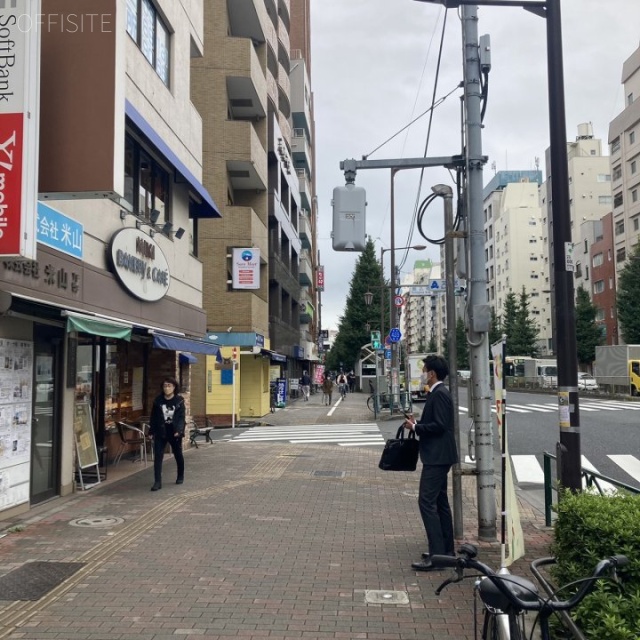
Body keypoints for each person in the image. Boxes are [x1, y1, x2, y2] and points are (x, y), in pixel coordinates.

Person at [403, 355, 458, 571]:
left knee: (426, 502)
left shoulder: (440, 394)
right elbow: (436, 423)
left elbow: (441, 426)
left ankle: (437, 556)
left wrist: (416, 428)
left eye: (424, 370)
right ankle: (446, 552)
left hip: (437, 457)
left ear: (432, 373)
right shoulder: (437, 394)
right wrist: (418, 423)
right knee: (440, 503)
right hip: (439, 456)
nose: (423, 374)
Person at [148, 377, 186, 491]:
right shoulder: (158, 401)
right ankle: (157, 482)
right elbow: (153, 417)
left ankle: (180, 475)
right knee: (158, 456)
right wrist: (151, 431)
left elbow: (181, 418)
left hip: (173, 431)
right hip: (161, 430)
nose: (167, 388)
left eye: (169, 386)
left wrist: (179, 431)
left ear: (174, 387)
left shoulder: (179, 401)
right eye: (165, 386)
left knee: (178, 454)